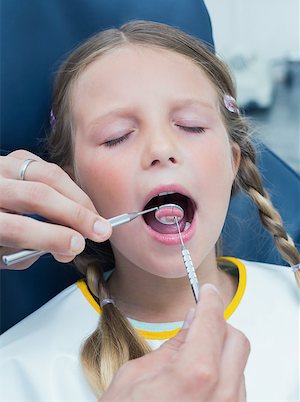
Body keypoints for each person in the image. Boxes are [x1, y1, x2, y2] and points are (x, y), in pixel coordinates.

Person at [0, 21, 299, 401]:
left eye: (190, 126)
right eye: (117, 136)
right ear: (73, 189)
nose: (160, 147)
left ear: (232, 163)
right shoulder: (16, 372)